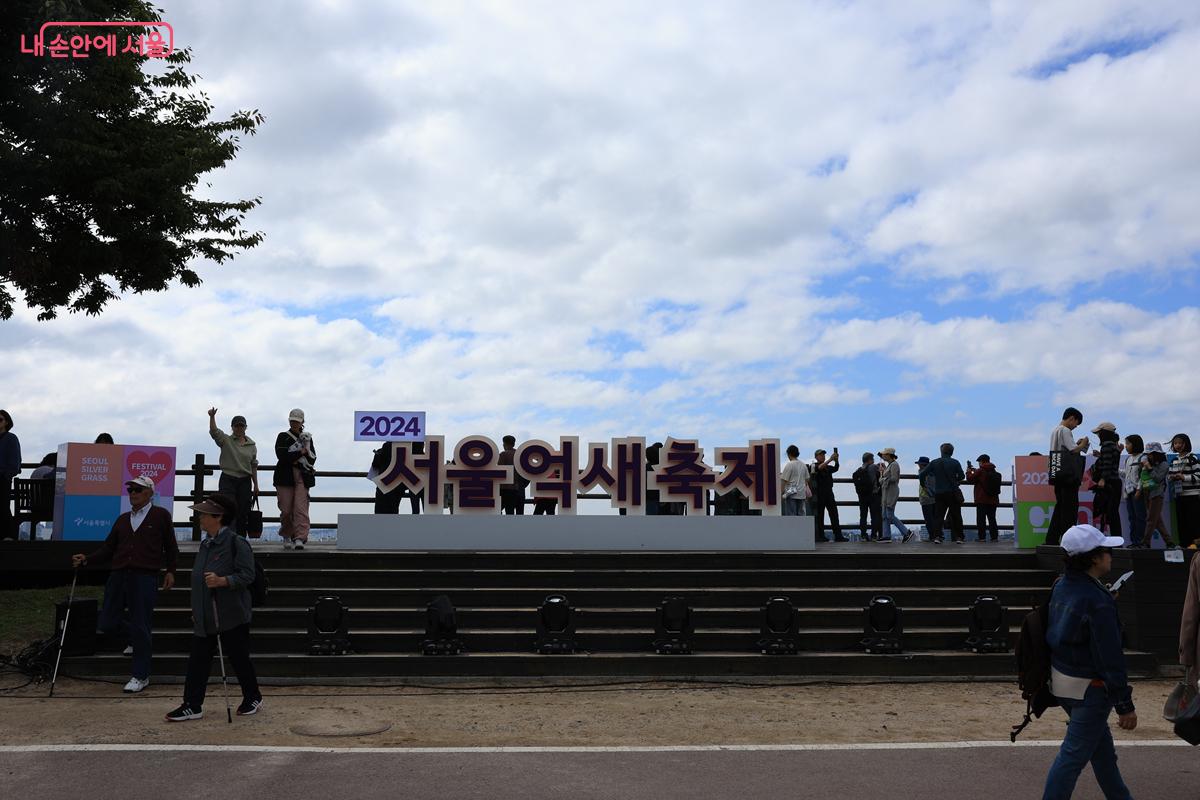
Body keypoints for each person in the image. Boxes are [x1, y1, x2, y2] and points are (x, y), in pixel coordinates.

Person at [1042, 523, 1136, 799]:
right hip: (1091, 689)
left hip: (1063, 683)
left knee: (1102, 754)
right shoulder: (1097, 601)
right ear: (1094, 557)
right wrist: (1124, 704)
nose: (1111, 555)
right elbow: (1110, 658)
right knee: (1071, 758)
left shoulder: (1062, 585)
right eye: (1107, 550)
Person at [71, 475, 177, 693]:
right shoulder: (122, 519)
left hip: (145, 576)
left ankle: (141, 675)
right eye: (130, 490)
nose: (133, 494)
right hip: (119, 574)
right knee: (108, 621)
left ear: (149, 493)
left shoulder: (160, 516)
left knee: (141, 623)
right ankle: (133, 639)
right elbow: (109, 548)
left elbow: (171, 546)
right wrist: (88, 559)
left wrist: (171, 571)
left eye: (138, 490)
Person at [166, 493, 262, 721]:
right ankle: (192, 704)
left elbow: (247, 575)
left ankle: (253, 696)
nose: (199, 517)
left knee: (239, 658)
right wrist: (196, 611)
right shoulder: (206, 544)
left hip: (231, 614)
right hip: (205, 617)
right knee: (197, 661)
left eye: (204, 513)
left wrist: (223, 581)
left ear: (218, 517)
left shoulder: (236, 543)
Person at [208, 408, 259, 537]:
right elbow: (214, 432)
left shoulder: (252, 445)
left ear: (245, 427)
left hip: (245, 480)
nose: (239, 428)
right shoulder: (226, 440)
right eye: (236, 426)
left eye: (241, 426)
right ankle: (228, 537)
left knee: (243, 511)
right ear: (232, 427)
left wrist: (256, 485)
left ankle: (240, 539)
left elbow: (253, 466)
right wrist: (212, 417)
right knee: (227, 509)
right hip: (228, 478)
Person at [1046, 407, 1090, 546]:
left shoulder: (1055, 430)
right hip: (1068, 475)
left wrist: (1077, 444)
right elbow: (1073, 450)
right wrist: (1083, 443)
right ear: (1071, 418)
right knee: (1070, 509)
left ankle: (1051, 539)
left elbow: (1065, 448)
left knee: (1060, 507)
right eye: (1076, 423)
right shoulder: (1065, 430)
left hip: (1057, 473)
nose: (1076, 426)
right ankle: (1068, 541)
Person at [274, 408, 316, 550]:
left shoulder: (307, 437)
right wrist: (301, 453)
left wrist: (295, 457)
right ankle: (286, 534)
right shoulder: (282, 436)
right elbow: (282, 456)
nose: (294, 423)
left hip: (302, 476)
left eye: (297, 421)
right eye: (292, 420)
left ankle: (300, 537)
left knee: (301, 508)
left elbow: (313, 458)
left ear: (302, 422)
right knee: (285, 509)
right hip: (284, 475)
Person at [918, 443, 965, 544]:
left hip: (939, 493)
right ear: (952, 452)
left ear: (941, 451)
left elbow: (922, 474)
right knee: (956, 515)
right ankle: (960, 537)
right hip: (952, 492)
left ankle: (937, 537)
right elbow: (962, 476)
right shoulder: (955, 462)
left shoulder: (935, 462)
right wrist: (955, 480)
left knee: (938, 516)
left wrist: (923, 485)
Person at [1089, 422, 1123, 543]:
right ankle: (1117, 540)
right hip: (1115, 483)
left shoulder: (1107, 446)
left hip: (1110, 484)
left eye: (1099, 433)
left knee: (1111, 514)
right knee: (1112, 513)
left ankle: (1116, 541)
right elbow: (1111, 462)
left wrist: (1103, 479)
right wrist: (1101, 455)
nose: (1097, 435)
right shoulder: (1113, 446)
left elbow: (1107, 465)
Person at [1138, 442, 1175, 548]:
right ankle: (1169, 542)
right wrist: (1144, 468)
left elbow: (1158, 479)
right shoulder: (1148, 463)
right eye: (1148, 454)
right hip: (1147, 493)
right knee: (1157, 520)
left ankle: (1146, 542)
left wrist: (1149, 468)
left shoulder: (1164, 465)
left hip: (1157, 494)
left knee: (1150, 519)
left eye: (1151, 454)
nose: (1149, 456)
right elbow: (1143, 478)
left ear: (1157, 453)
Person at [372, 441, 424, 514]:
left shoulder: (387, 446)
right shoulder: (414, 445)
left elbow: (375, 464)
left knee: (383, 514)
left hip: (385, 486)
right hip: (400, 485)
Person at [1168, 433, 1199, 549]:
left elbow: (1198, 476)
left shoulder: (1193, 458)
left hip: (1192, 495)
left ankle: (1195, 544)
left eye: (1180, 443)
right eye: (1175, 443)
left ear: (1186, 444)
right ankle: (1184, 544)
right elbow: (1169, 476)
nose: (1178, 445)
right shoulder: (1174, 460)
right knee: (1181, 521)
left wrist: (1184, 477)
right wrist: (1172, 477)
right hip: (1179, 494)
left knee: (1193, 521)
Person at [810, 448, 845, 542]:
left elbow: (836, 468)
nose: (823, 456)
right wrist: (830, 459)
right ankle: (821, 536)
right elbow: (819, 468)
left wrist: (836, 460)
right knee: (820, 515)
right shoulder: (814, 465)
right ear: (816, 457)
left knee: (834, 514)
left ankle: (838, 535)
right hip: (819, 494)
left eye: (823, 455)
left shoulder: (828, 467)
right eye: (820, 455)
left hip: (829, 493)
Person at [877, 448, 912, 543]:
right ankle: (886, 535)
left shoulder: (894, 465)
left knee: (889, 514)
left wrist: (883, 479)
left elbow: (894, 478)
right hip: (887, 492)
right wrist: (883, 473)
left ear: (889, 455)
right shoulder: (890, 465)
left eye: (884, 454)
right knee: (885, 515)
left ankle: (906, 532)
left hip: (891, 492)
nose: (883, 456)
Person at [965, 454, 1001, 542]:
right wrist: (975, 471)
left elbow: (969, 479)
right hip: (993, 499)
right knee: (992, 519)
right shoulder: (994, 471)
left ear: (981, 461)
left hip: (981, 499)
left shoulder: (980, 471)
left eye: (979, 462)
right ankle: (994, 537)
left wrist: (968, 471)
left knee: (981, 519)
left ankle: (982, 538)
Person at [1122, 435, 1147, 547]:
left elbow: (1144, 475)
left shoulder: (1143, 458)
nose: (1126, 446)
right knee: (1132, 517)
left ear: (1135, 444)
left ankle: (1141, 542)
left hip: (1138, 492)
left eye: (1128, 443)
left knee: (1140, 517)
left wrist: (1139, 489)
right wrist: (1115, 471)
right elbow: (1126, 474)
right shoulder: (1128, 459)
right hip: (1128, 492)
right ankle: (1134, 542)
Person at [851, 453, 881, 540]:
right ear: (870, 460)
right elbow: (882, 475)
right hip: (873, 494)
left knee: (863, 516)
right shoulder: (874, 467)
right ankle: (874, 535)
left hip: (862, 496)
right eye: (873, 459)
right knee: (874, 515)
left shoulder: (858, 470)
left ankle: (863, 535)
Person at [0, 409, 20, 540]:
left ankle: (8, 536)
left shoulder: (11, 438)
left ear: (6, 422)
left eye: (0, 419)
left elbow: (15, 461)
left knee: (2, 507)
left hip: (2, 479)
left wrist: (6, 476)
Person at [780, 445, 810, 517]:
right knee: (801, 516)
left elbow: (783, 480)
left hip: (791, 494)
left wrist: (780, 494)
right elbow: (807, 479)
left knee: (791, 516)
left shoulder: (789, 465)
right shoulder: (803, 465)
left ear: (789, 454)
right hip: (802, 494)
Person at [498, 435, 526, 515]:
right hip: (520, 490)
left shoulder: (503, 455)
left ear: (504, 444)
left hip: (506, 490)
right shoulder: (521, 456)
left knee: (507, 512)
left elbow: (500, 473)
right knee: (519, 514)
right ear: (513, 444)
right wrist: (522, 485)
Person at [915, 456, 937, 540]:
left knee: (928, 518)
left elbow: (924, 485)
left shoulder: (922, 472)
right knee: (935, 517)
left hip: (925, 497)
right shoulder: (934, 472)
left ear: (921, 465)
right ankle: (937, 534)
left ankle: (932, 535)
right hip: (935, 497)